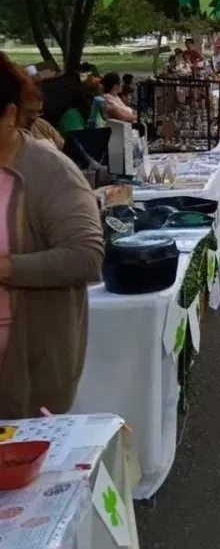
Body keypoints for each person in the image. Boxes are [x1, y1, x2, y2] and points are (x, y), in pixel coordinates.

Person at [0, 53, 104, 418]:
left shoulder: (49, 171)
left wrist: (5, 268)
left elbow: (86, 257)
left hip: (27, 370)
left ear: (9, 114)